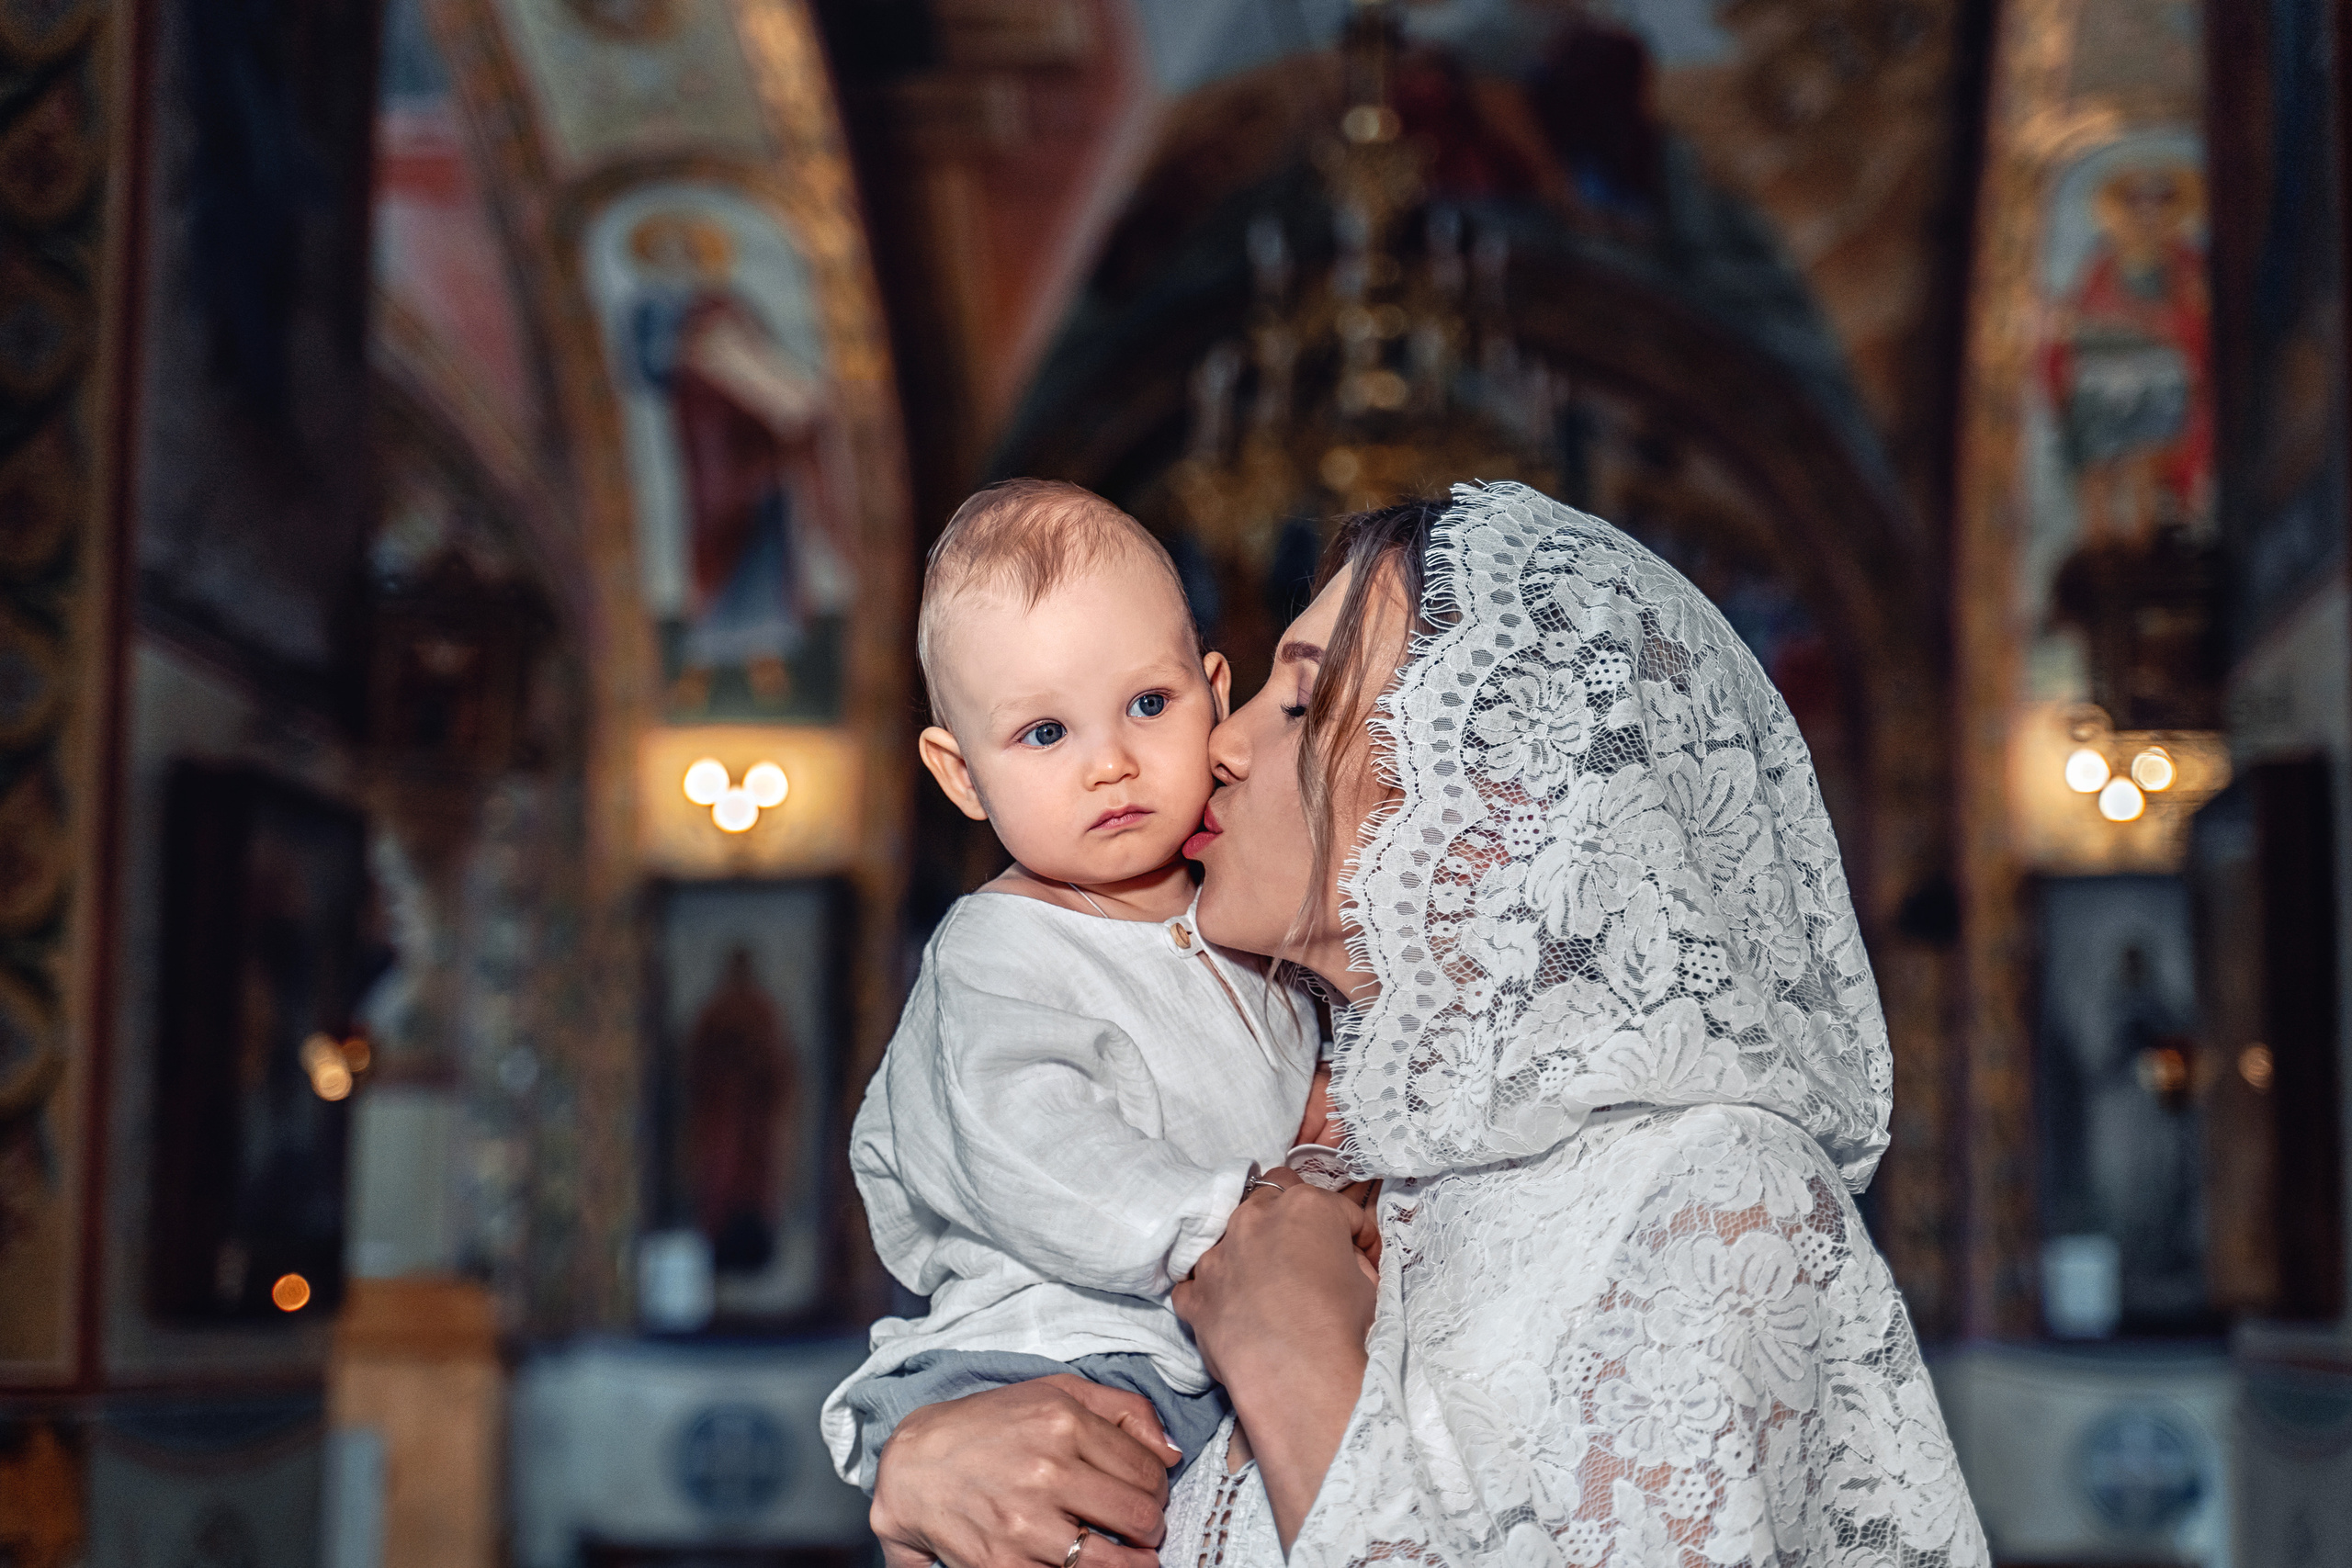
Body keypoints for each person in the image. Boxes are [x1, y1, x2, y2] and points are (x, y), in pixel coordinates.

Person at [870, 482, 1986, 1566]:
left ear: (1500, 792)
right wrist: (928, 1463)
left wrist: (1281, 1344)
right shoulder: (1348, 1156)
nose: (1216, 746)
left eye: (1300, 703)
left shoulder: (1723, 1194)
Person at [820, 480, 1346, 1500]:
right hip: (1045, 1355)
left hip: (1198, 1354)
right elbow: (1025, 1140)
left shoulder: (1234, 924)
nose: (1110, 762)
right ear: (961, 774)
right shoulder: (998, 954)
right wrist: (1216, 1219)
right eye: (1044, 734)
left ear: (1212, 694)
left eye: (1148, 706)